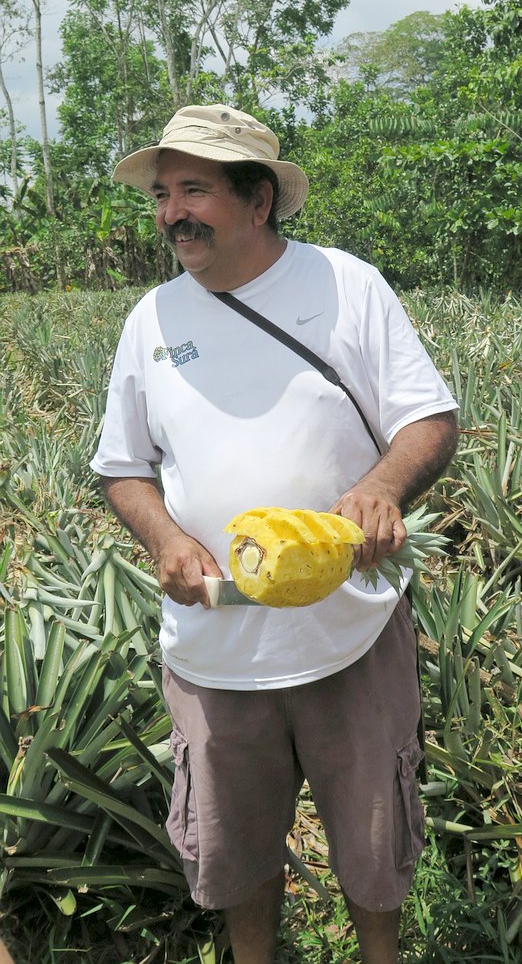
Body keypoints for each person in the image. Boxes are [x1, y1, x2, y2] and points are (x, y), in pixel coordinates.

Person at [91, 104, 459, 964]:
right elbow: (122, 467)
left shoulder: (346, 285)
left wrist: (380, 486)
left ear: (258, 203)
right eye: (162, 193)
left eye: (194, 191)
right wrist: (164, 540)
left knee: (374, 848)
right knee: (237, 855)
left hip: (350, 633)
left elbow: (429, 419)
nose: (171, 212)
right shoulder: (150, 320)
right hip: (215, 644)